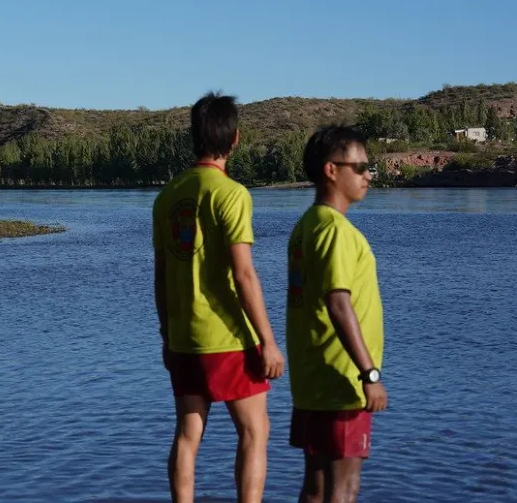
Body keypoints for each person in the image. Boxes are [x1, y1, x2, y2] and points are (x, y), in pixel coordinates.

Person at [152, 92, 285, 503]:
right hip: (228, 338)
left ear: (193, 137)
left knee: (188, 435)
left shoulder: (168, 196)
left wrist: (167, 336)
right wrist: (268, 341)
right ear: (236, 139)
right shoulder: (231, 194)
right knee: (255, 430)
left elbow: (160, 276)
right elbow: (243, 273)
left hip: (184, 336)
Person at [286, 125, 387, 503]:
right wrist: (370, 374)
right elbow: (338, 302)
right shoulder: (335, 230)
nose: (368, 175)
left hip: (312, 380)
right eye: (360, 167)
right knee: (344, 488)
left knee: (316, 488)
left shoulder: (306, 226)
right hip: (341, 381)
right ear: (332, 170)